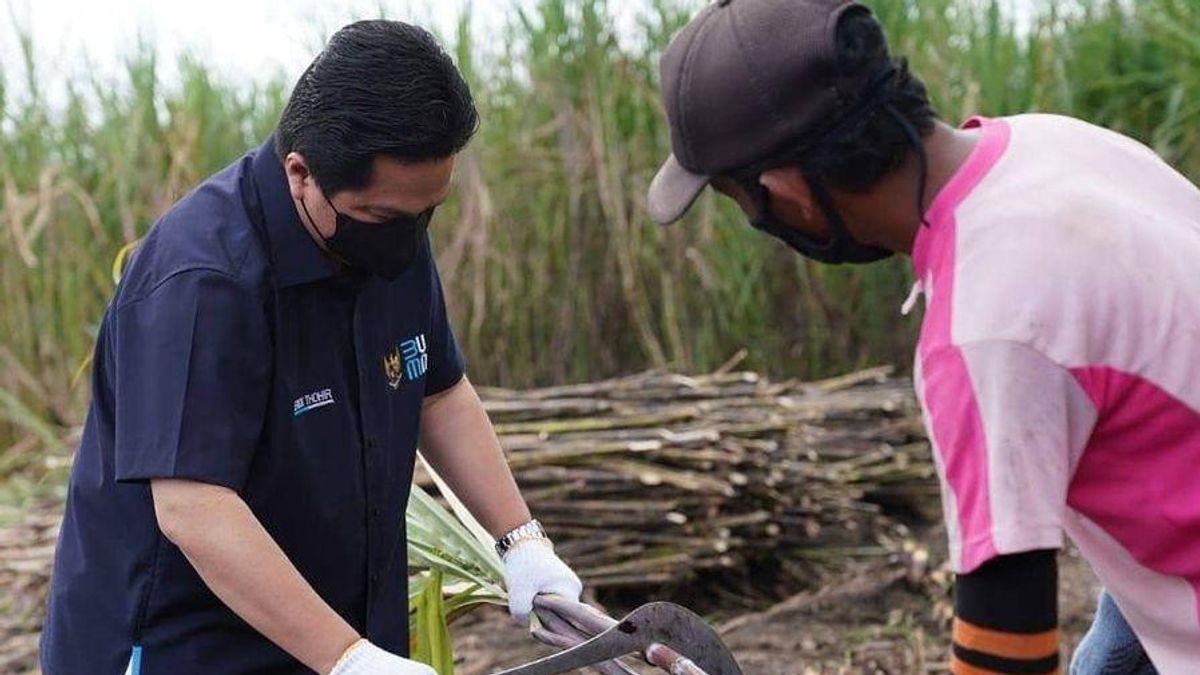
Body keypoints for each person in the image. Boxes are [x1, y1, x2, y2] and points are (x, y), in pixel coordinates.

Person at [646, 1, 1199, 673]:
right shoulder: (1050, 143)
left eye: (743, 203)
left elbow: (1007, 658)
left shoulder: (984, 326)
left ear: (788, 192)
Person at [40, 20, 582, 675]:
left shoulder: (388, 222)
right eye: (386, 218)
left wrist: (521, 541)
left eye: (426, 211)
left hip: (331, 632)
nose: (409, 242)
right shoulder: (203, 279)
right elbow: (194, 505)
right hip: (184, 646)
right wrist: (350, 660)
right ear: (301, 173)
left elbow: (435, 387)